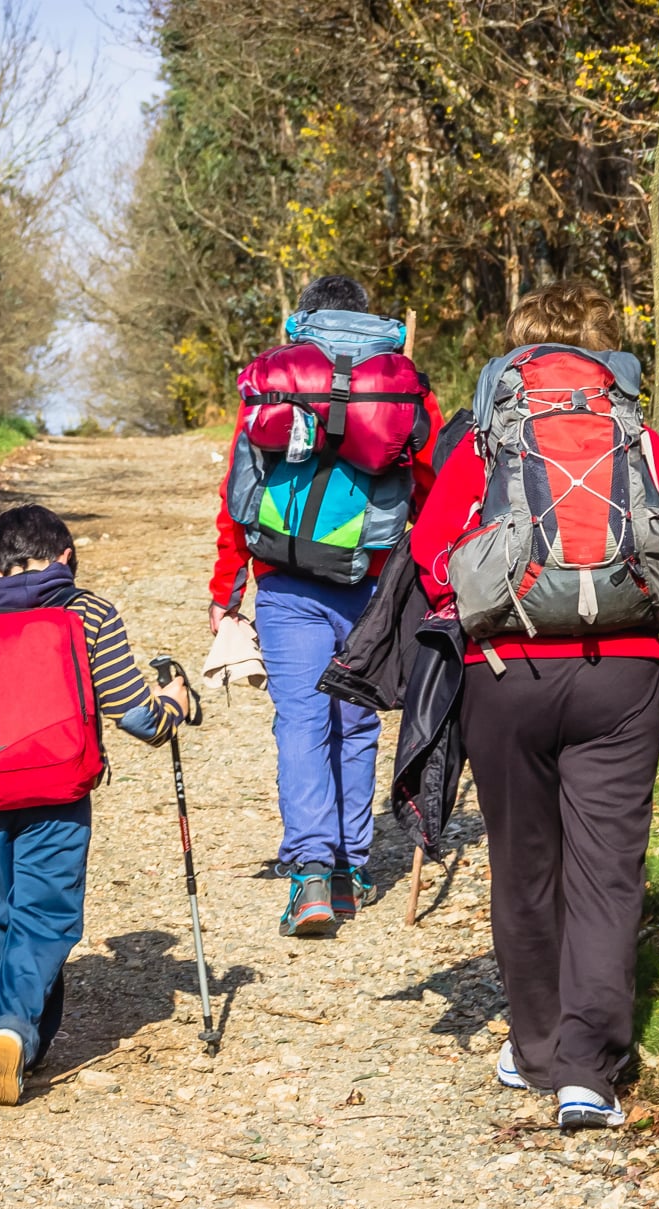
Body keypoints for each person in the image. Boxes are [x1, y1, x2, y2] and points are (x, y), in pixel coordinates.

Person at [408, 279, 659, 1129]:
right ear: (606, 342)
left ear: (517, 347)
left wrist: (496, 599)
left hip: (507, 678)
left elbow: (434, 553)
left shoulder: (488, 434)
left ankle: (537, 1050)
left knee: (524, 868)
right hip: (622, 679)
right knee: (608, 875)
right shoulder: (635, 432)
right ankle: (589, 1075)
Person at [0, 505, 190, 1106]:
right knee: (47, 916)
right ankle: (9, 1029)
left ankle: (24, 1044)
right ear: (66, 556)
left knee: (11, 908)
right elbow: (139, 719)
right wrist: (176, 703)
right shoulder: (88, 611)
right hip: (56, 784)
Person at [208, 275, 442, 936]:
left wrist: (225, 594)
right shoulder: (398, 383)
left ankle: (310, 874)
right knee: (359, 722)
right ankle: (350, 870)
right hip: (373, 583)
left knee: (302, 723)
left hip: (286, 581)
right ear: (368, 318)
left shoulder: (279, 380)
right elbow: (427, 486)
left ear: (302, 320)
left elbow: (238, 491)